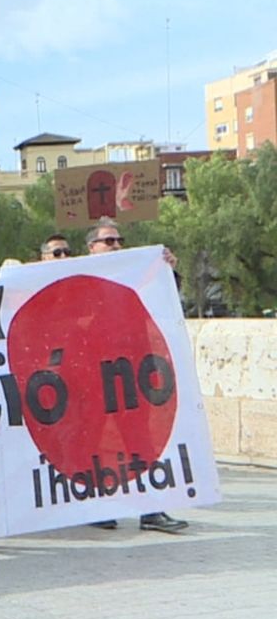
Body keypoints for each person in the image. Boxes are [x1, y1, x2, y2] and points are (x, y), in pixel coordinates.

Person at [84, 219, 188, 534]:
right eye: (109, 241)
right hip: (94, 372)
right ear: (92, 248)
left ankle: (151, 510)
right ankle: (97, 508)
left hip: (131, 371)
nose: (116, 245)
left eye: (119, 240)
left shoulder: (133, 273)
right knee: (93, 442)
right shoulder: (79, 277)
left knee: (140, 441)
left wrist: (168, 270)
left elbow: (163, 296)